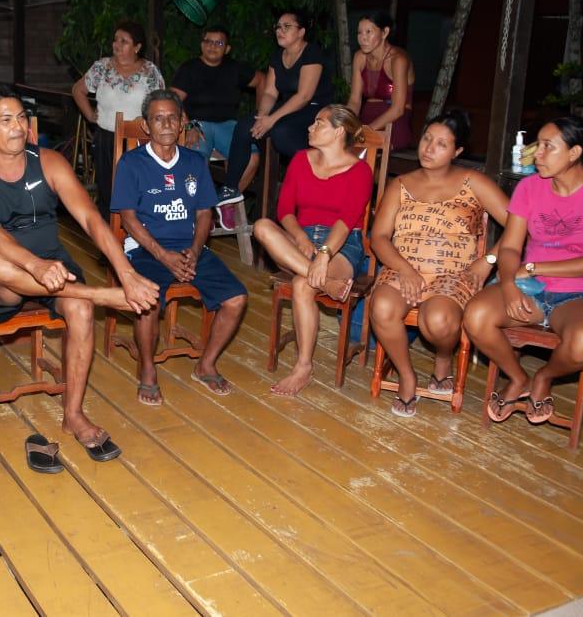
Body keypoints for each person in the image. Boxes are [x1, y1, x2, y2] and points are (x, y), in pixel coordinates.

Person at [0, 83, 159, 461]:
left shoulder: (48, 161)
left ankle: (74, 415)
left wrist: (126, 273)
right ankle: (97, 295)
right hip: (7, 283)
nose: (18, 127)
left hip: (56, 271)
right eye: (5, 120)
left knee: (78, 310)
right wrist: (34, 264)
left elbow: (91, 219)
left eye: (21, 118)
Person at [463, 116, 583, 425]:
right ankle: (518, 378)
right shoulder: (529, 187)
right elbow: (511, 247)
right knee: (476, 316)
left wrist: (532, 267)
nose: (536, 154)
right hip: (530, 289)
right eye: (536, 145)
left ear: (574, 153)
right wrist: (510, 285)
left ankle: (544, 377)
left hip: (582, 293)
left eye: (547, 147)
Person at [368, 110, 509, 417]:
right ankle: (407, 376)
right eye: (427, 139)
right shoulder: (400, 184)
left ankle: (443, 359)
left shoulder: (473, 182)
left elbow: (519, 225)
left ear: (457, 151)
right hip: (402, 268)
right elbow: (379, 237)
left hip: (452, 275)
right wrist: (405, 270)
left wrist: (488, 261)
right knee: (381, 307)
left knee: (438, 321)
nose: (429, 148)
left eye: (441, 144)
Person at [111, 89, 248, 405]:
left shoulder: (195, 162)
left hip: (189, 249)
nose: (166, 124)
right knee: (148, 302)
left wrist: (195, 252)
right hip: (145, 249)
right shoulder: (132, 163)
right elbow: (128, 219)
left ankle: (206, 364)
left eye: (173, 117)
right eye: (158, 118)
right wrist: (163, 255)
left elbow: (204, 213)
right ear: (146, 125)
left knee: (237, 298)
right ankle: (147, 369)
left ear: (182, 121)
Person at [252, 105, 372, 396]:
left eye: (318, 123)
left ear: (339, 131)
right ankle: (329, 284)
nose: (310, 128)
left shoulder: (360, 171)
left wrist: (324, 253)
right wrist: (300, 238)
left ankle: (303, 367)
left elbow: (346, 222)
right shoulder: (300, 160)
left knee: (302, 285)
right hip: (301, 238)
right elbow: (285, 211)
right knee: (262, 227)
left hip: (342, 243)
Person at [222, 9, 333, 200]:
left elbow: (304, 95)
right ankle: (230, 188)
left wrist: (271, 120)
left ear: (301, 32)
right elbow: (270, 93)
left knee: (281, 132)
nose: (280, 30)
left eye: (287, 26)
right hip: (289, 106)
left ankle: (318, 172)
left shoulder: (312, 52)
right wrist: (262, 117)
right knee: (245, 125)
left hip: (315, 108)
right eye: (278, 27)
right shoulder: (277, 55)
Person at [72, 20, 164, 217]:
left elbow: (161, 103)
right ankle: (110, 239)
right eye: (116, 40)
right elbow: (78, 90)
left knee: (137, 191)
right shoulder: (102, 67)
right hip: (106, 137)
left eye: (124, 41)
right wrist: (90, 115)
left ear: (138, 47)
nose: (117, 44)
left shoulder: (150, 71)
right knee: (108, 191)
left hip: (139, 140)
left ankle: (137, 236)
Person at [171, 26, 263, 198]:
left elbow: (262, 80)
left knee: (252, 158)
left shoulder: (234, 68)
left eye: (218, 43)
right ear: (201, 45)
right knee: (195, 162)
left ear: (227, 49)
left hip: (227, 125)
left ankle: (226, 199)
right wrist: (188, 124)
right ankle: (202, 209)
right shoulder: (189, 68)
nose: (212, 46)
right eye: (208, 41)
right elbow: (172, 98)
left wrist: (260, 115)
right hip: (198, 124)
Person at [347, 12, 415, 150]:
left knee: (365, 149)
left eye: (368, 32)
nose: (362, 38)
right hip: (367, 118)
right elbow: (354, 101)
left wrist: (366, 131)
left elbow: (398, 109)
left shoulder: (398, 60)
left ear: (385, 32)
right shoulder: (359, 57)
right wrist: (345, 124)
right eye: (359, 33)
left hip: (394, 121)